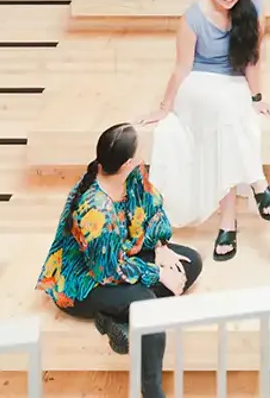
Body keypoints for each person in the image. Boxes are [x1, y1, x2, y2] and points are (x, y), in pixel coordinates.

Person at [36, 123, 202, 398]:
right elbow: (107, 271)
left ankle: (117, 317)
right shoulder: (94, 209)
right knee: (148, 304)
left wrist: (160, 246)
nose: (143, 155)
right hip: (85, 283)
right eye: (139, 152)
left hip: (124, 255)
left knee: (190, 261)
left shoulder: (133, 173)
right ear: (126, 163)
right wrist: (157, 273)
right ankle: (152, 390)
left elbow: (151, 205)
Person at [140, 0, 270, 262]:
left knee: (227, 121)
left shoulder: (254, 9)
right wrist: (165, 107)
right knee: (223, 112)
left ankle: (228, 223)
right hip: (198, 83)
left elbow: (252, 60)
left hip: (233, 84)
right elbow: (182, 67)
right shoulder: (192, 17)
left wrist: (257, 97)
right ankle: (258, 184)